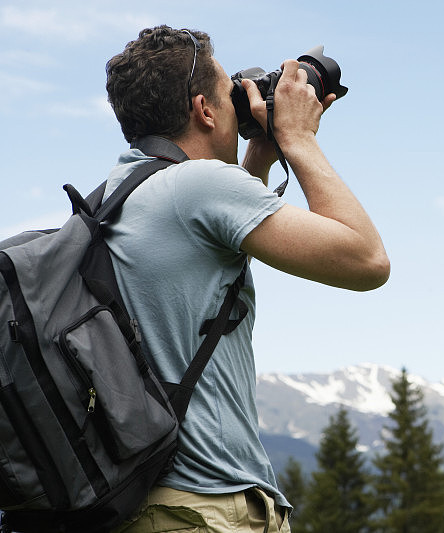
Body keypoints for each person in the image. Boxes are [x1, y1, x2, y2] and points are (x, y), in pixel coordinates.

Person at [103, 26, 390, 533]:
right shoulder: (199, 187)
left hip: (156, 507)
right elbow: (366, 260)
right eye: (227, 89)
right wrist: (299, 139)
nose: (242, 100)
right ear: (205, 110)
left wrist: (257, 156)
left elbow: (212, 260)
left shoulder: (121, 192)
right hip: (204, 509)